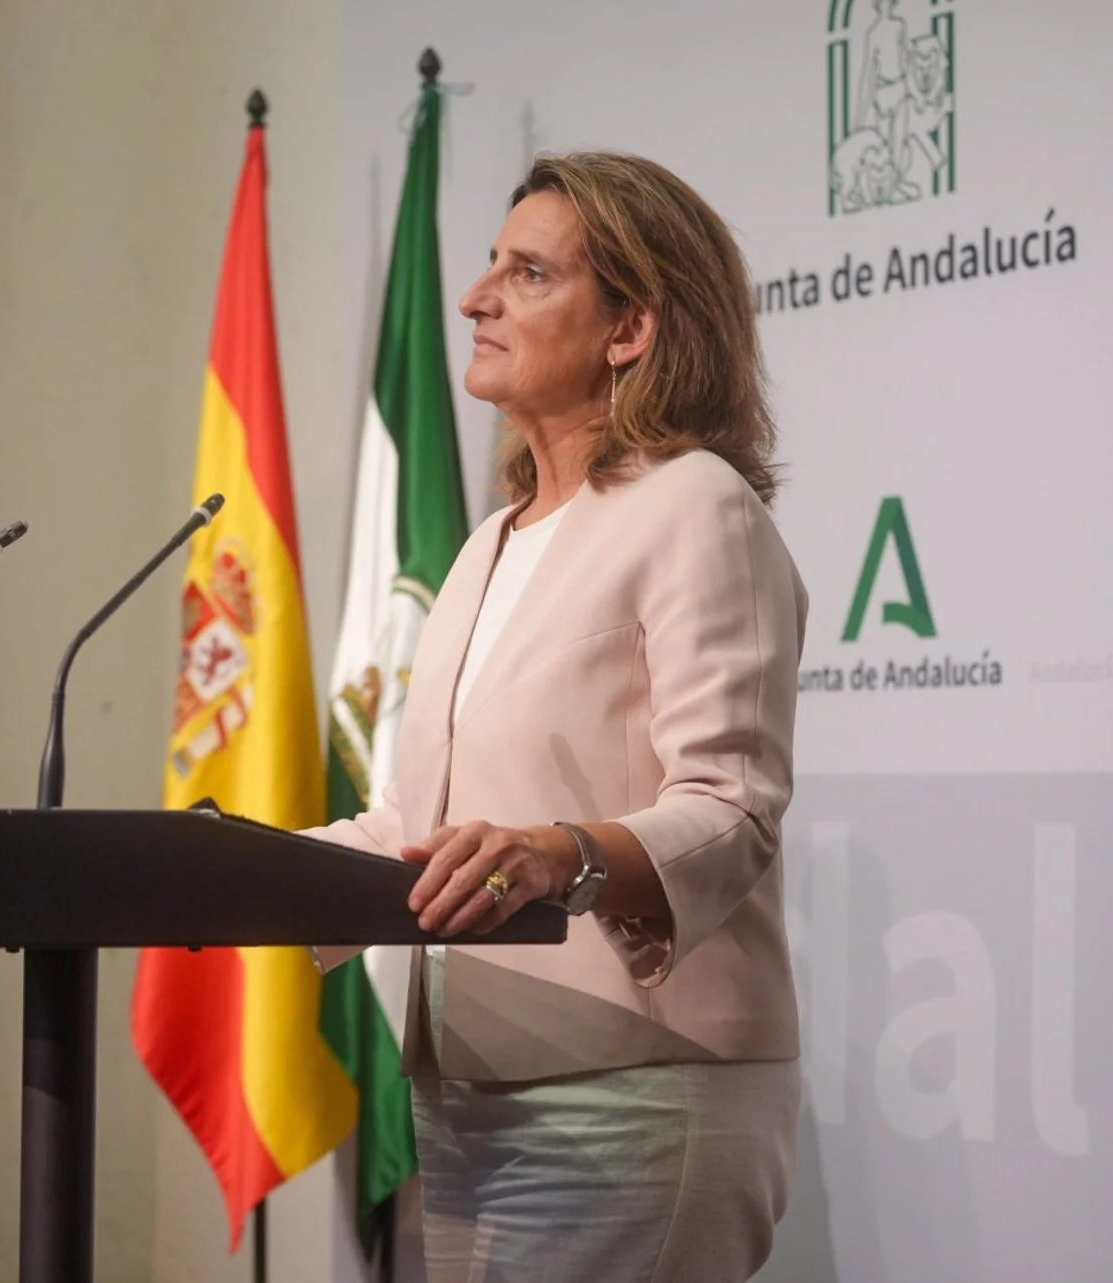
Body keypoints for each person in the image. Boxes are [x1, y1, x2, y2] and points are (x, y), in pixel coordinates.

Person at [306, 152, 807, 1282]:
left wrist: (558, 853)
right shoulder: (494, 541)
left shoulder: (695, 505)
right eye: (489, 267)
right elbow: (420, 822)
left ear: (630, 326)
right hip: (473, 1088)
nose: (477, 298)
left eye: (526, 273)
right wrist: (222, 867)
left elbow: (732, 806)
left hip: (631, 1090)